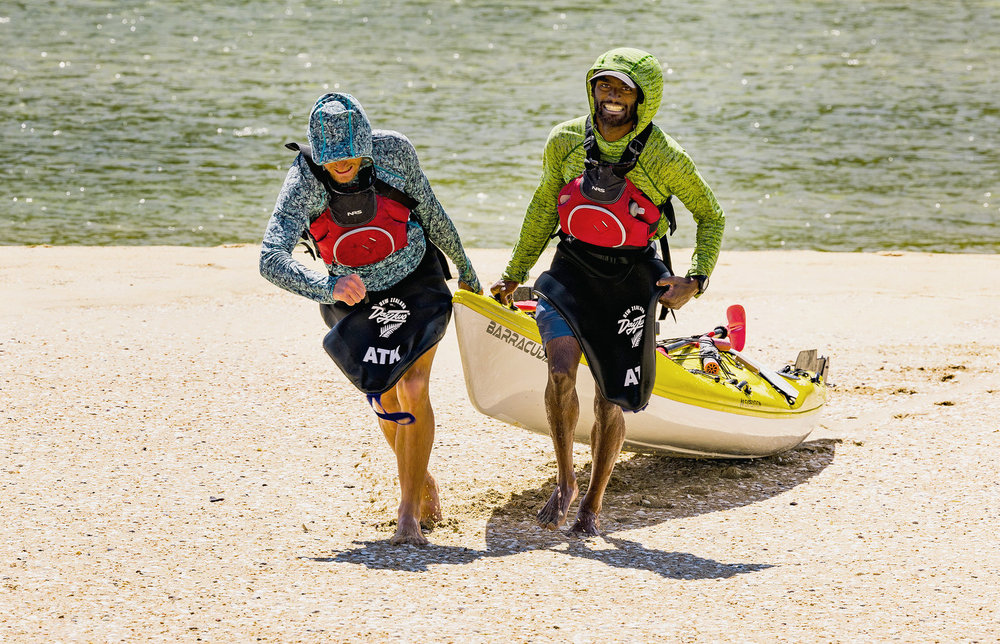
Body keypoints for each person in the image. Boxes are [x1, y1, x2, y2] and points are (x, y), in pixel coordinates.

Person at [491, 48, 725, 536]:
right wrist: (515, 273)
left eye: (623, 88)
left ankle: (592, 506)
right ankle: (565, 480)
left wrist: (695, 280)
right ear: (591, 88)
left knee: (609, 399)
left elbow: (712, 216)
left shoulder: (665, 157)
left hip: (630, 279)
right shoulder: (566, 140)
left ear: (645, 98)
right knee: (559, 372)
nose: (611, 96)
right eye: (603, 85)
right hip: (571, 268)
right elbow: (542, 209)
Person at [260, 93, 481, 546]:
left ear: (364, 142)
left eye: (347, 155)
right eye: (330, 159)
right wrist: (328, 287)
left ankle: (407, 515)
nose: (339, 165)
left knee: (414, 386)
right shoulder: (303, 178)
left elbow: (433, 214)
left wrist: (468, 271)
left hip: (416, 276)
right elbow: (270, 257)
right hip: (351, 293)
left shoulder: (395, 151)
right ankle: (420, 482)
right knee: (382, 390)